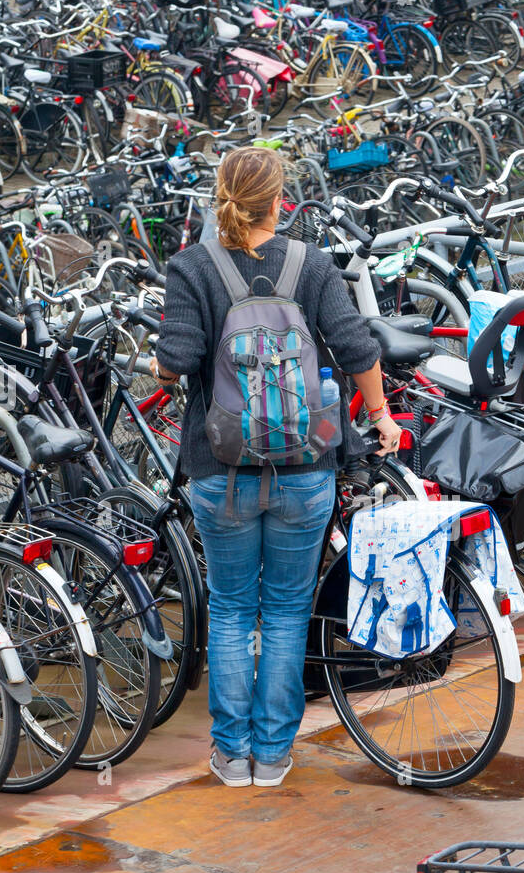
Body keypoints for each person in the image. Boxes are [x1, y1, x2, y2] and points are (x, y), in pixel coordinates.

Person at [152, 147, 401, 789]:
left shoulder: (191, 268)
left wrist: (163, 367)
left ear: (221, 197)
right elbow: (356, 348)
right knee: (288, 610)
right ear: (279, 200)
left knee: (234, 607)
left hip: (220, 469)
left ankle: (231, 756)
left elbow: (174, 360)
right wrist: (381, 416)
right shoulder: (312, 264)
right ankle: (273, 755)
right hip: (305, 468)